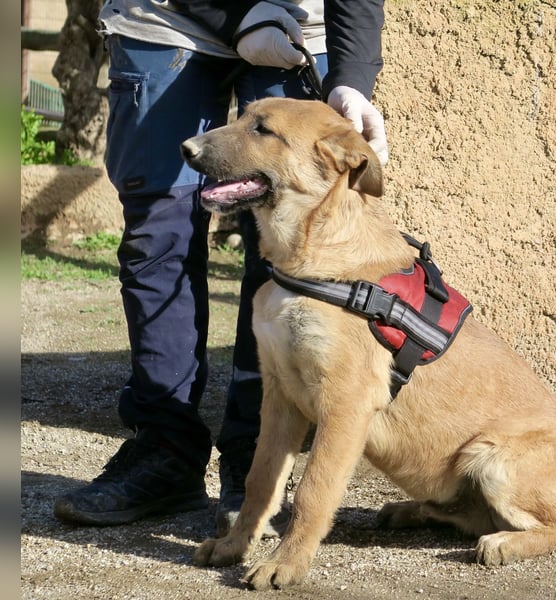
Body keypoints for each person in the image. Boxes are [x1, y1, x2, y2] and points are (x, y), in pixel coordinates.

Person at [53, 0, 388, 536]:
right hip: (165, 18)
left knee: (284, 231)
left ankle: (256, 458)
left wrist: (351, 77)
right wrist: (238, 17)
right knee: (158, 232)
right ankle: (164, 448)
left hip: (301, 30)